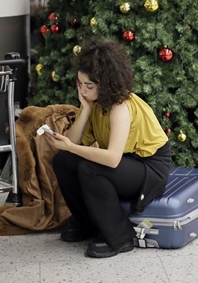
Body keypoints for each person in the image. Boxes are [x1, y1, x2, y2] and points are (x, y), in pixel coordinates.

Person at [48, 37, 171, 259]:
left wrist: (70, 147)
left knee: (90, 167)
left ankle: (120, 237)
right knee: (63, 161)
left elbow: (112, 159)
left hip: (148, 166)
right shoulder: (94, 102)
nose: (83, 90)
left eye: (89, 86)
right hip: (126, 161)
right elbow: (72, 144)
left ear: (105, 84)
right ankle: (88, 224)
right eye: (79, 84)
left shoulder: (120, 107)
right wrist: (84, 110)